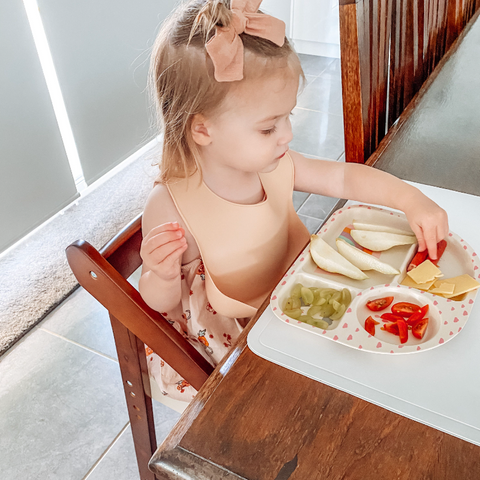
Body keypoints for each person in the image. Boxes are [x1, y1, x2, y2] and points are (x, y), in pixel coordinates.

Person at [139, 0, 449, 401]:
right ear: (202, 129)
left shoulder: (275, 164)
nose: (287, 135)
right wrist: (160, 275)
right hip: (236, 344)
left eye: (287, 117)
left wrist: (411, 199)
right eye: (269, 128)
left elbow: (343, 175)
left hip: (295, 301)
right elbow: (160, 304)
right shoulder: (170, 205)